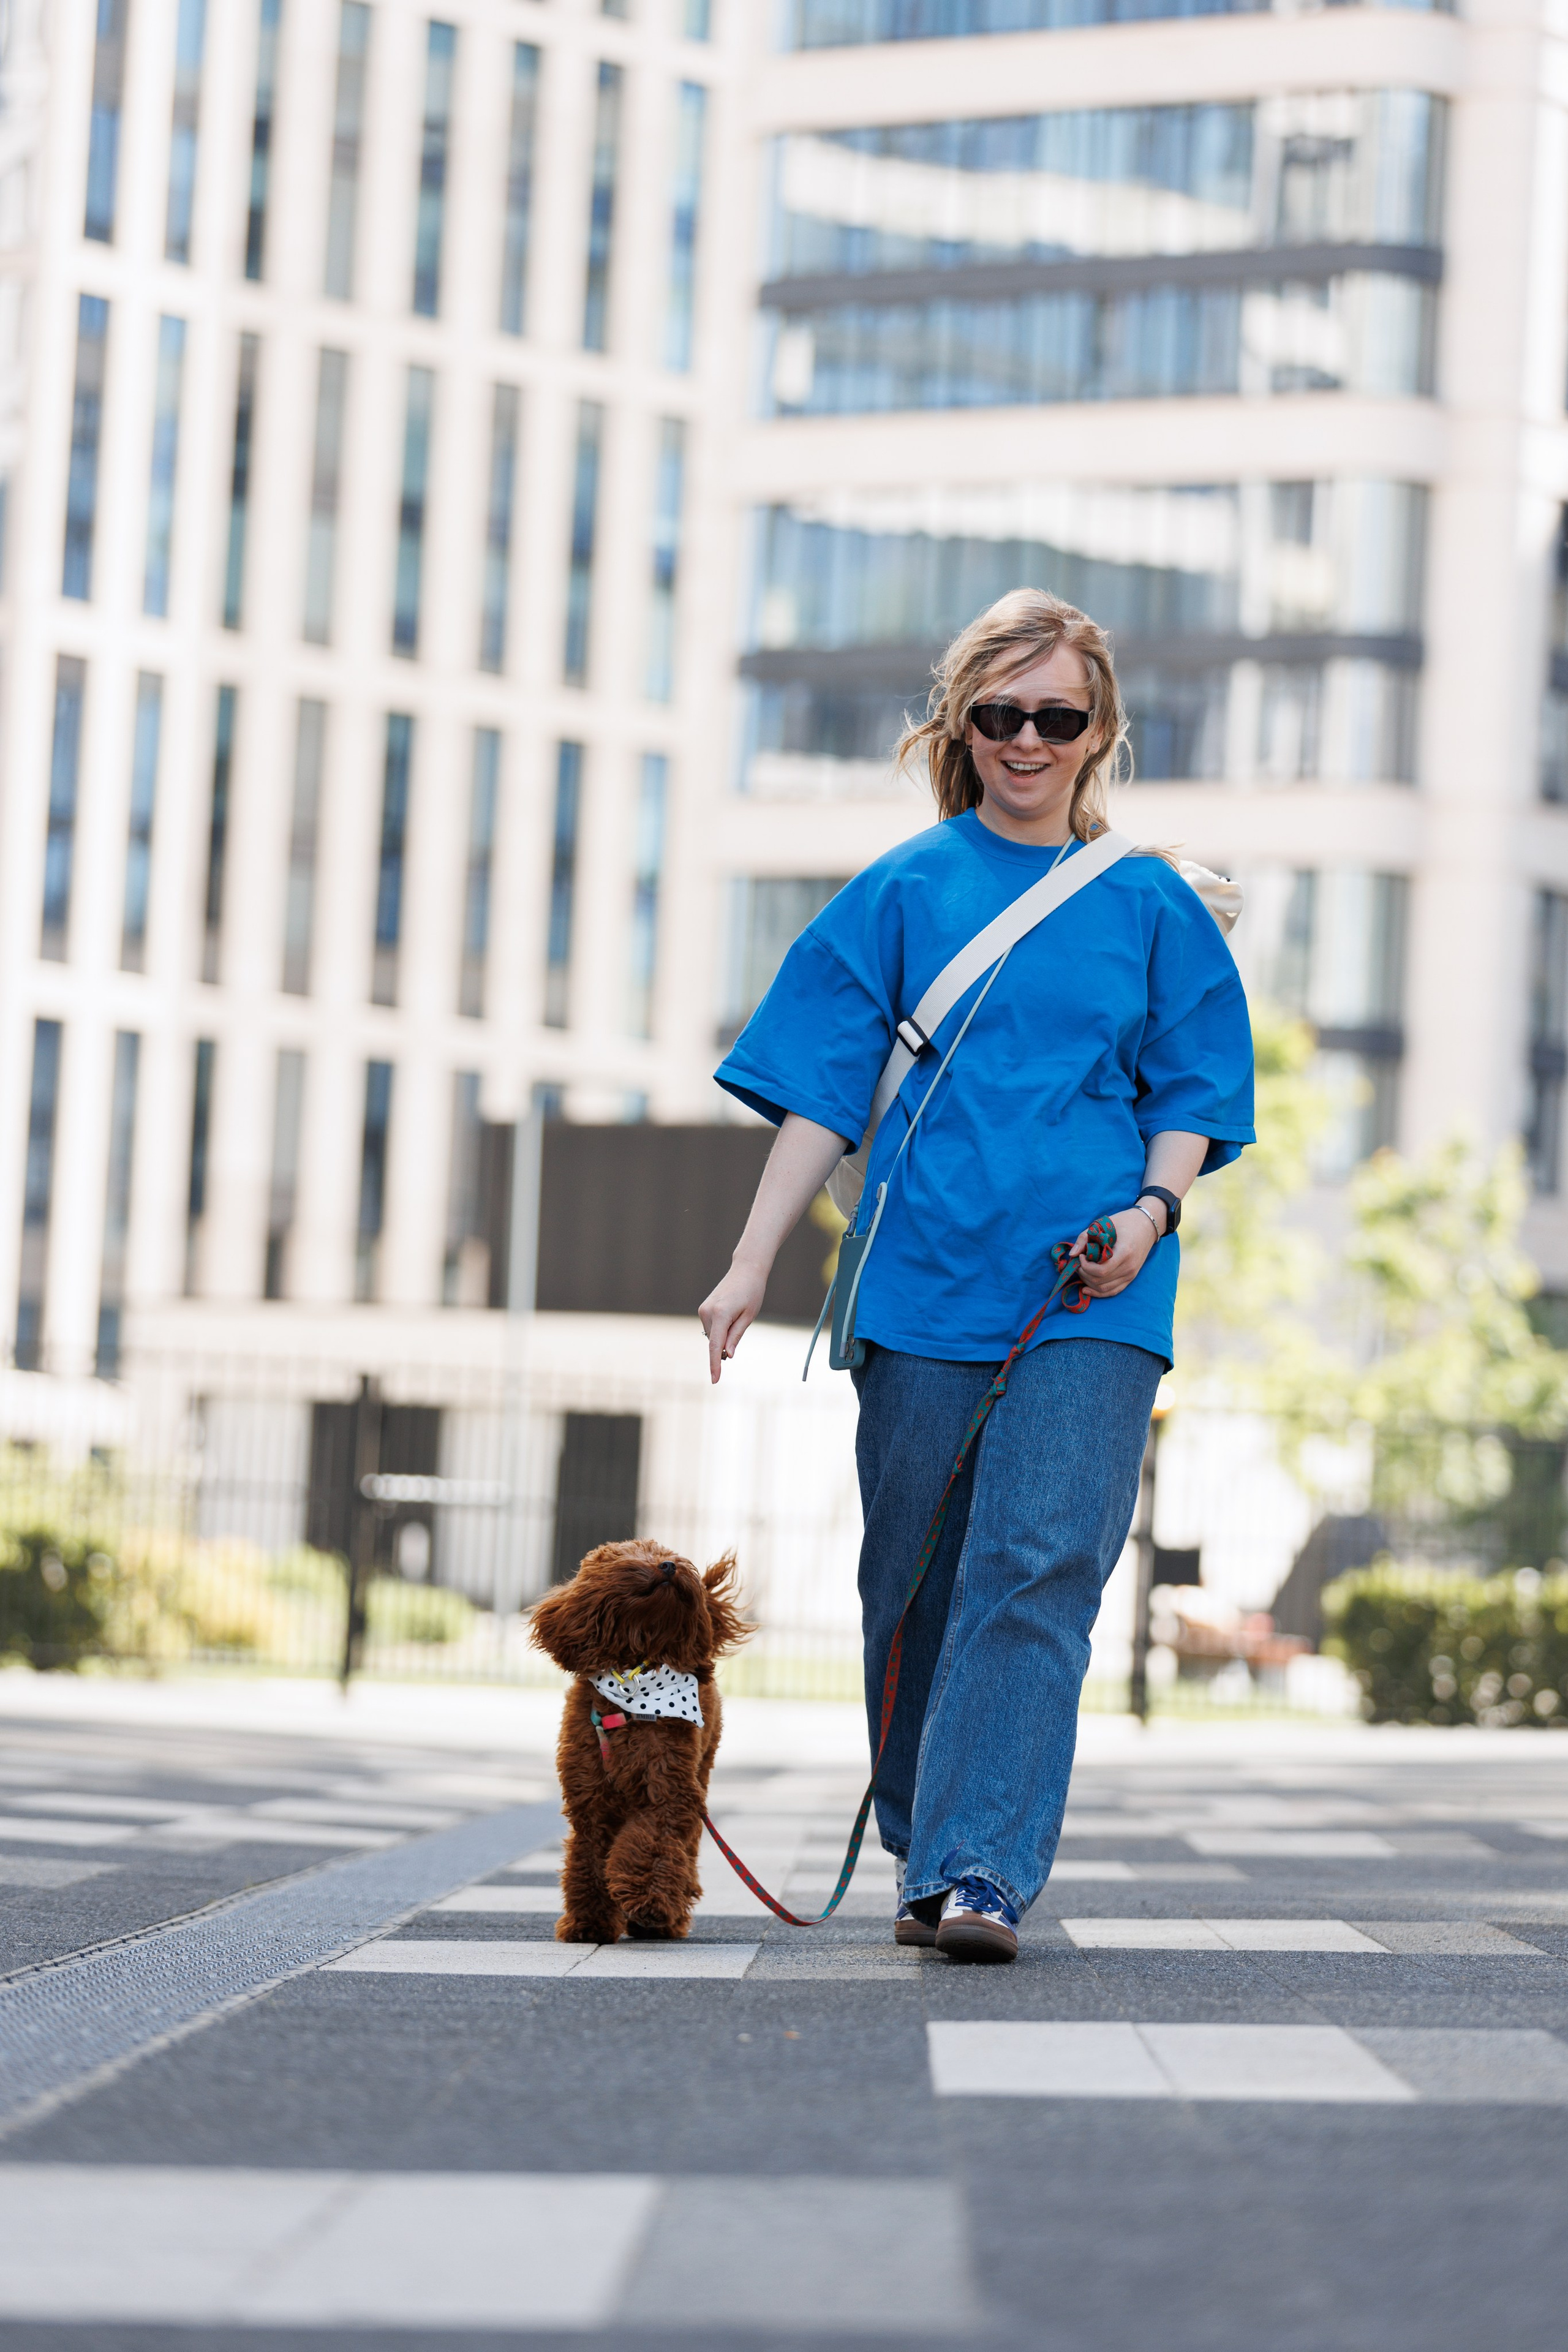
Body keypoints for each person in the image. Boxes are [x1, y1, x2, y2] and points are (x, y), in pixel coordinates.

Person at [699, 588, 1254, 1963]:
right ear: (962, 725)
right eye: (998, 715)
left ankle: (980, 1871)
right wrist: (748, 1261)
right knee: (917, 1584)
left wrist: (1150, 1211)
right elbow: (820, 1095)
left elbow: (1191, 1082)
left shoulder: (1147, 904)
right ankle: (921, 1839)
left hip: (1092, 1288)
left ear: (1096, 730)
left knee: (1038, 1566)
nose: (1025, 739)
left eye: (1053, 716)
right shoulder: (899, 892)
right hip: (920, 1286)